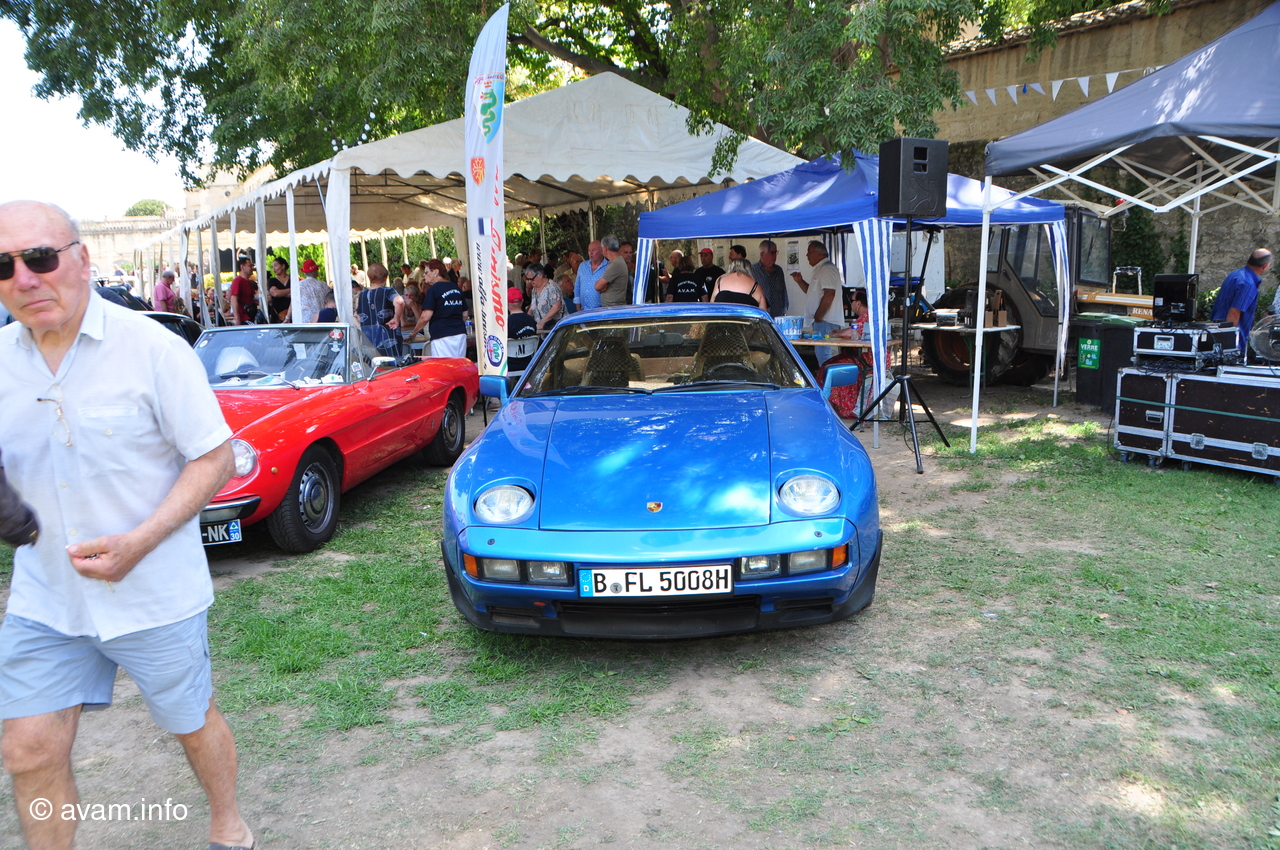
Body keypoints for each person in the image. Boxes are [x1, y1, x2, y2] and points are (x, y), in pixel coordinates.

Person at [0, 200, 253, 850]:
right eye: (3, 265)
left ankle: (228, 824)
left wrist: (140, 542)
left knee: (190, 721)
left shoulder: (153, 349)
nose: (23, 278)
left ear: (82, 259)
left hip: (153, 590)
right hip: (46, 596)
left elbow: (216, 457)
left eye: (39, 258)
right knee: (27, 748)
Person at [792, 240, 847, 363]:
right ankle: (826, 374)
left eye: (809, 252)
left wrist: (819, 316)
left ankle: (827, 375)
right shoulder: (821, 269)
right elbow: (812, 292)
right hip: (822, 320)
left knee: (824, 354)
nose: (807, 255)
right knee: (822, 353)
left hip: (826, 320)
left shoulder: (826, 268)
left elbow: (829, 294)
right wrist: (800, 281)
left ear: (818, 254)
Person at [1210, 249, 1272, 351]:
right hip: (1230, 342)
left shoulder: (1234, 274)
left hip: (1216, 332)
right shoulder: (1248, 283)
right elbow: (1234, 313)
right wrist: (1230, 346)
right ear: (1264, 266)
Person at [415, 258, 468, 357]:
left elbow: (425, 317)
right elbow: (465, 314)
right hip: (460, 334)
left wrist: (413, 333)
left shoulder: (433, 290)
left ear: (436, 272)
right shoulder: (456, 288)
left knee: (443, 364)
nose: (424, 275)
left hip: (441, 335)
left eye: (426, 272)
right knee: (459, 364)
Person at [356, 262, 405, 360]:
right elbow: (399, 301)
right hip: (388, 340)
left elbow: (356, 315)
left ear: (369, 277)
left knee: (372, 366)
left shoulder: (361, 294)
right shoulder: (388, 291)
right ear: (385, 277)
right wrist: (396, 318)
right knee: (392, 366)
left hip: (368, 341)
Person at [506, 286, 539, 376]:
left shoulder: (506, 323)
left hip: (509, 366)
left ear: (506, 303)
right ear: (522, 301)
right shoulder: (531, 320)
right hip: (529, 365)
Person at [752, 240, 787, 318]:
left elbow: (783, 291)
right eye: (772, 253)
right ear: (762, 254)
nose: (774, 256)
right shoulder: (753, 270)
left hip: (778, 315)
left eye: (775, 252)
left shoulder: (779, 270)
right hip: (760, 316)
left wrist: (785, 309)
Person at [524, 262, 564, 331]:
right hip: (543, 329)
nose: (530, 281)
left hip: (556, 327)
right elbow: (532, 307)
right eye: (528, 279)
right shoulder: (534, 289)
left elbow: (557, 306)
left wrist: (542, 322)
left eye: (532, 279)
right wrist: (526, 322)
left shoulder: (551, 287)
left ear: (540, 275)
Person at [596, 235, 629, 308]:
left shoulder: (616, 264)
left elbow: (598, 286)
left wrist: (602, 285)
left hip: (613, 308)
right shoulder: (618, 262)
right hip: (613, 307)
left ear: (605, 248)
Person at [574, 240, 607, 311]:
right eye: (589, 250)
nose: (591, 253)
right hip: (583, 310)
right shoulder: (582, 266)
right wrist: (578, 310)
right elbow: (577, 288)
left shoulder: (608, 267)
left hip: (601, 311)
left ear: (602, 251)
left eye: (594, 250)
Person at [293, 258, 327, 323]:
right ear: (315, 271)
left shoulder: (299, 285)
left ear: (304, 272)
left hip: (304, 320)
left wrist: (287, 317)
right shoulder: (323, 285)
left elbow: (293, 303)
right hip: (321, 318)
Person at [228, 255, 258, 325]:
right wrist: (237, 318)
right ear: (242, 267)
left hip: (249, 316)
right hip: (243, 319)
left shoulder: (248, 282)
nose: (252, 268)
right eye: (249, 266)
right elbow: (234, 299)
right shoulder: (238, 281)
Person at [267, 256, 291, 323]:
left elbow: (296, 294)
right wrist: (290, 290)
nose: (274, 269)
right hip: (277, 313)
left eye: (275, 266)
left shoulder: (292, 279)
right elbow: (275, 293)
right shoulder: (272, 280)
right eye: (273, 267)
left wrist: (280, 292)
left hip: (292, 312)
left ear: (283, 266)